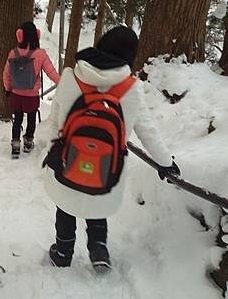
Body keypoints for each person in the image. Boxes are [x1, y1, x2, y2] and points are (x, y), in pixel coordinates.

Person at [43, 25, 180, 270]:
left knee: (66, 207)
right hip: (108, 166)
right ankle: (99, 250)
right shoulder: (131, 88)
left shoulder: (71, 77)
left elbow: (55, 121)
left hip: (69, 160)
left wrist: (54, 151)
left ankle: (62, 253)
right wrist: (165, 163)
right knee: (97, 201)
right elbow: (147, 131)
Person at [3, 22, 60, 158]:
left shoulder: (13, 53)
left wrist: (7, 88)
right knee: (31, 118)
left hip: (16, 94)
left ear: (20, 36)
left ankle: (15, 145)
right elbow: (51, 72)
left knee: (17, 119)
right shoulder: (40, 54)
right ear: (37, 36)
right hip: (32, 95)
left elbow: (6, 73)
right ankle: (28, 142)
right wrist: (63, 83)